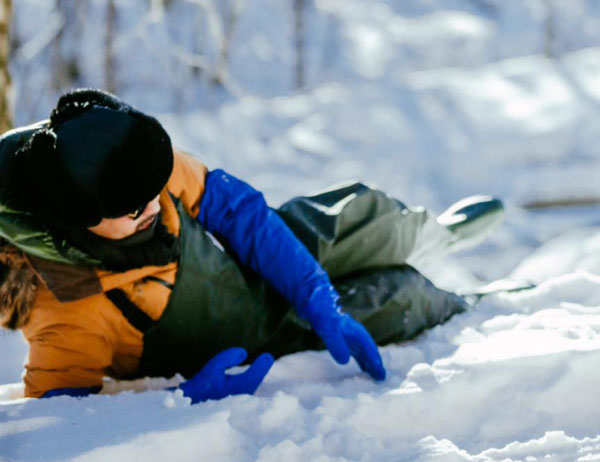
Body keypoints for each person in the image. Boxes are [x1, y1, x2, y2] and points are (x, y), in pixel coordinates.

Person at [0, 88, 503, 403]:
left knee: (356, 214)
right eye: (134, 208)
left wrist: (314, 292)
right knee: (393, 300)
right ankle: (470, 304)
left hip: (239, 269)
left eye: (156, 188)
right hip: (242, 334)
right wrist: (182, 399)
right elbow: (64, 431)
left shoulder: (117, 158)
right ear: (79, 220)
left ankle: (434, 235)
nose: (155, 202)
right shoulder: (68, 317)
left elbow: (236, 210)